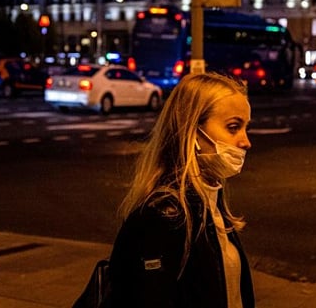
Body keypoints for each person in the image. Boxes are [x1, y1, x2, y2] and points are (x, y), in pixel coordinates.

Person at [108, 72, 255, 307]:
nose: (245, 141)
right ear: (193, 131)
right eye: (233, 127)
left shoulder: (211, 203)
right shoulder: (165, 217)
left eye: (245, 127)